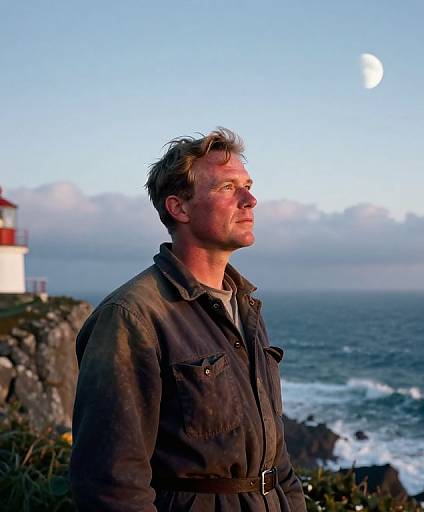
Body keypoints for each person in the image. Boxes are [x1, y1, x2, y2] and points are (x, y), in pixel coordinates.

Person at [69, 128, 306, 511]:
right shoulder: (132, 317)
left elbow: (275, 460)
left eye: (247, 185)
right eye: (228, 188)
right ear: (179, 208)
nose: (250, 199)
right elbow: (111, 485)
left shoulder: (246, 308)